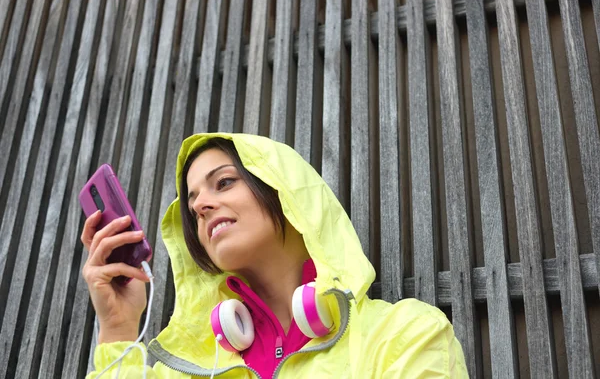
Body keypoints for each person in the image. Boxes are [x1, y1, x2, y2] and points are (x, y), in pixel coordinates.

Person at [82, 133, 467, 378]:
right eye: (194, 201)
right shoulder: (189, 372)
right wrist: (117, 328)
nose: (201, 207)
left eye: (225, 182)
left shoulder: (405, 335)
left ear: (286, 194)